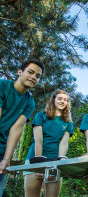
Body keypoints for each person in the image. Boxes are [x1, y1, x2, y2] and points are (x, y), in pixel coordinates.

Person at [0, 58, 44, 196]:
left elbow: (17, 128)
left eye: (37, 76)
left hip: (2, 151)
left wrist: (6, 159)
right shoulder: (2, 86)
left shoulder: (29, 102)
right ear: (19, 72)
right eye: (30, 72)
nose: (33, 77)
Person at [24, 90, 73, 197]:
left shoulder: (68, 122)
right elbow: (39, 140)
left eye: (65, 100)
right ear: (53, 100)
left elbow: (63, 144)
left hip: (54, 163)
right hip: (35, 159)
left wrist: (61, 161)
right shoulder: (41, 116)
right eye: (59, 98)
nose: (62, 101)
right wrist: (38, 164)